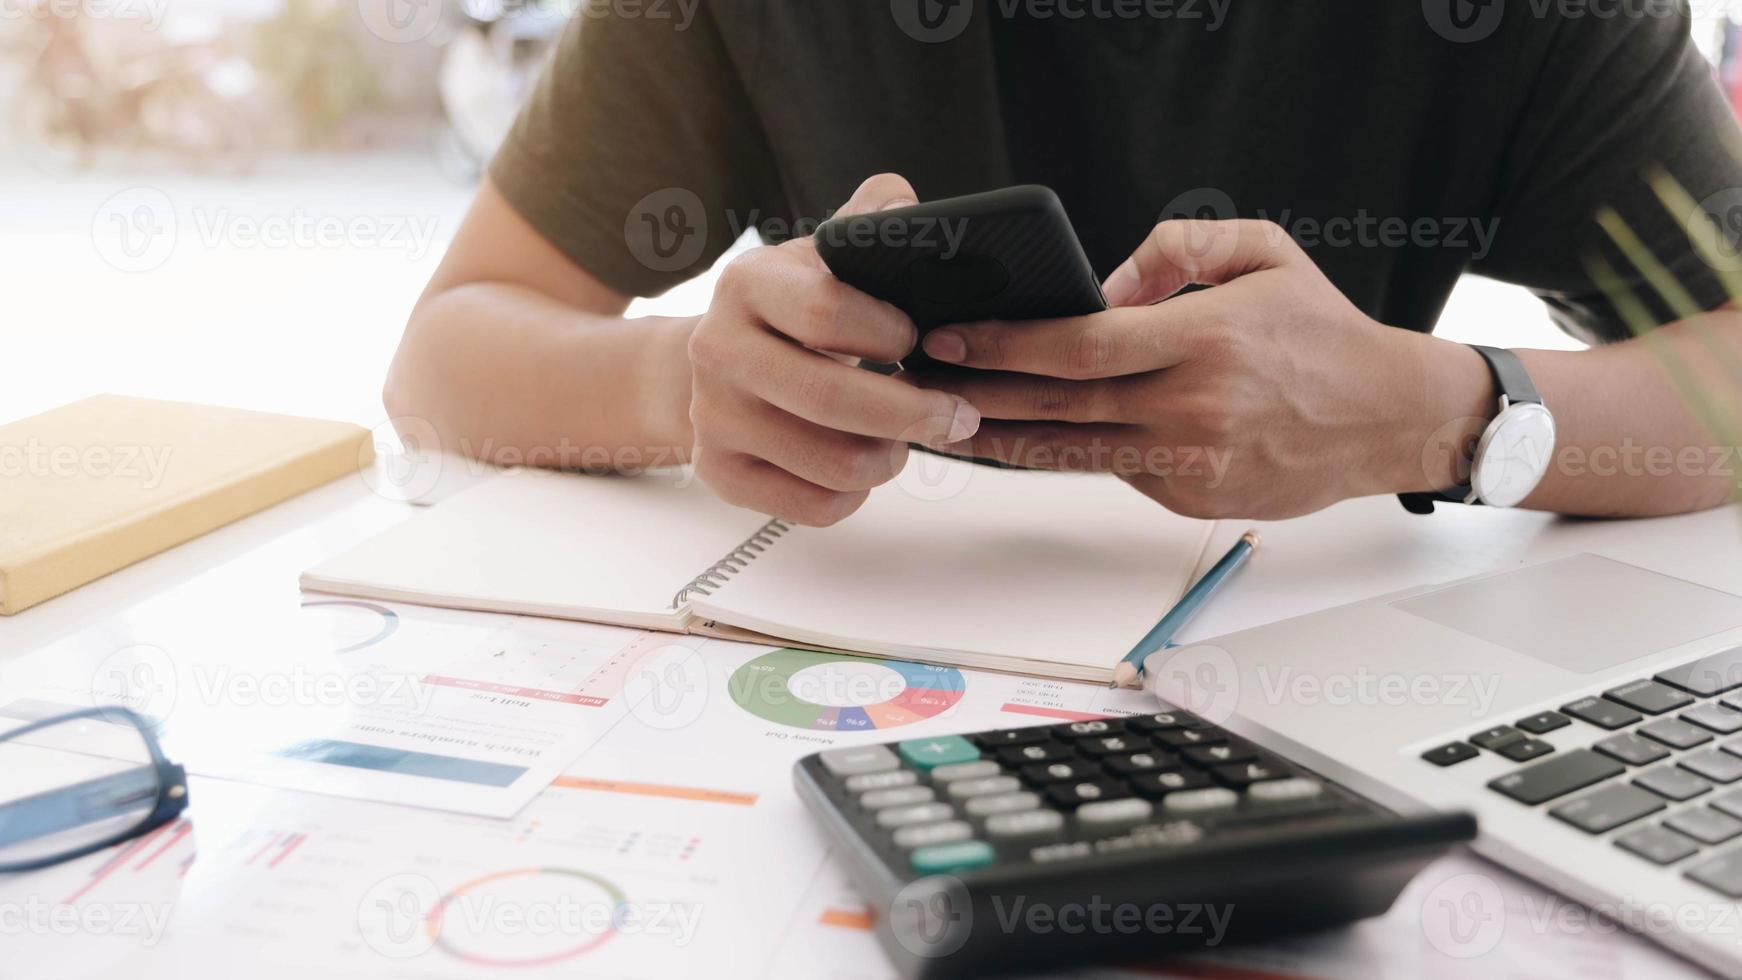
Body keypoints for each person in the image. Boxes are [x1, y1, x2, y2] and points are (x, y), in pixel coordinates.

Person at [384, 3, 1742, 525]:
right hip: (840, 678)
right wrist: (684, 383)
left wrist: (1446, 416)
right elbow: (444, 361)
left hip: (1322, 696)